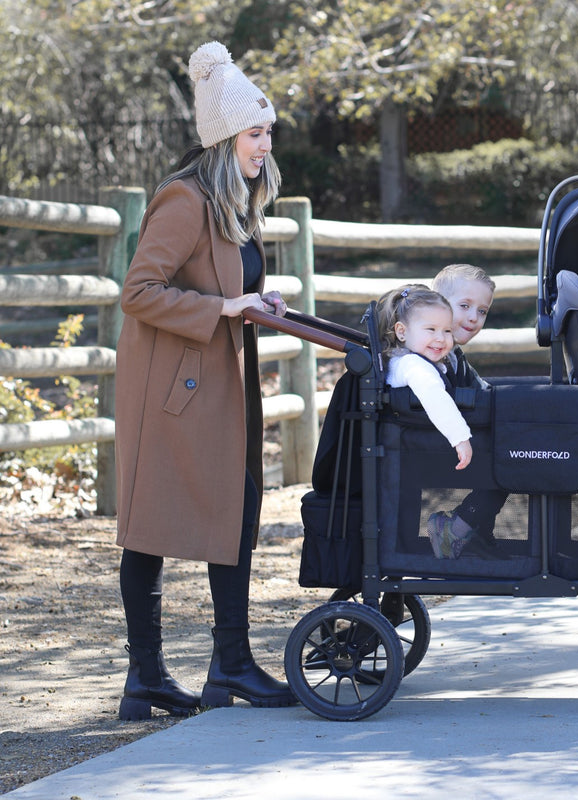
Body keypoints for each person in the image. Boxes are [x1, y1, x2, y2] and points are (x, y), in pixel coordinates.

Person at [114, 40, 295, 721]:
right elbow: (138, 292)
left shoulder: (233, 204)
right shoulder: (184, 200)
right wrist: (223, 308)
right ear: (225, 138)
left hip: (218, 386)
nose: (266, 143)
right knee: (150, 529)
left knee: (238, 509)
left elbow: (231, 287)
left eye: (269, 131)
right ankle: (147, 678)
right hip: (174, 395)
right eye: (256, 132)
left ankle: (230, 666)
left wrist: (255, 304)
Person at [377, 285, 475, 557]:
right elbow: (435, 397)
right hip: (414, 455)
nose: (441, 338)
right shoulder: (414, 366)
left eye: (446, 331)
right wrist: (460, 437)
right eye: (430, 330)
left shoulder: (410, 360)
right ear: (401, 332)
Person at [428, 264, 508, 559]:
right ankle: (459, 530)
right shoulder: (429, 356)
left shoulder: (454, 355)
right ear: (436, 305)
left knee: (510, 455)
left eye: (482, 311)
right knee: (513, 463)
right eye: (465, 306)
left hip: (457, 445)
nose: (474, 317)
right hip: (438, 449)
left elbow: (484, 392)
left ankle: (475, 537)